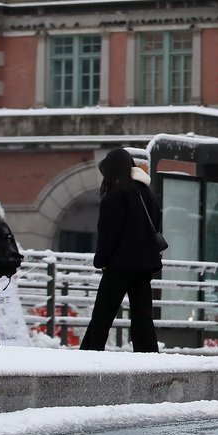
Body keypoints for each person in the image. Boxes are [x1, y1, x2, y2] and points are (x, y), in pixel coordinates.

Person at [80, 148, 164, 353]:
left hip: (119, 266)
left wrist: (101, 260)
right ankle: (148, 354)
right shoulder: (146, 193)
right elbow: (156, 224)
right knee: (142, 315)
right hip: (144, 266)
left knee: (103, 314)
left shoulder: (116, 195)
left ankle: (90, 352)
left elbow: (109, 234)